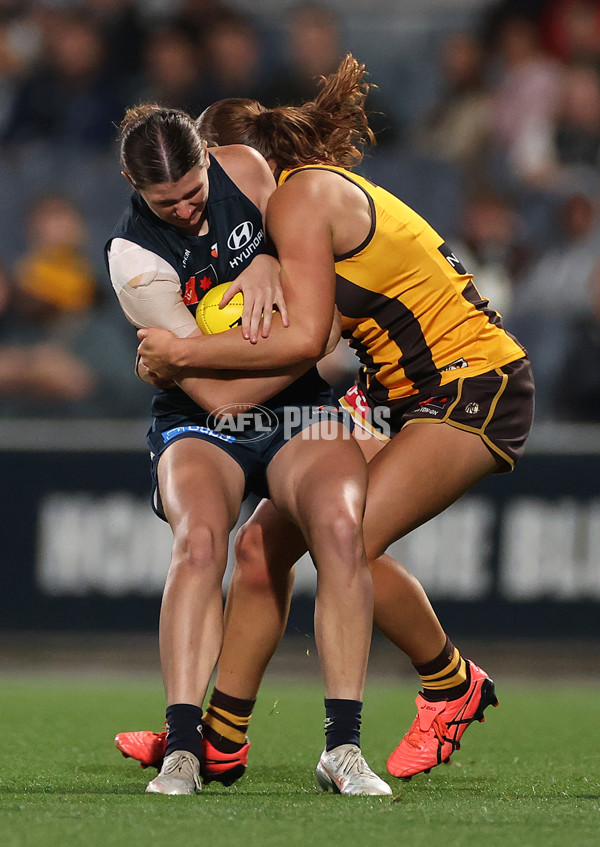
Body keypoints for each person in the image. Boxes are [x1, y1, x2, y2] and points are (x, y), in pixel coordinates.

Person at [124, 55, 535, 784]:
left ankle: (450, 682)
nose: (209, 211)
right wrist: (259, 266)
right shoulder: (294, 215)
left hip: (470, 384)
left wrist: (182, 359)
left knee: (344, 537)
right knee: (259, 549)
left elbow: (307, 341)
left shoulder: (301, 203)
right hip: (398, 392)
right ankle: (220, 737)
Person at [106, 104, 391, 797]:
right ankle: (183, 748)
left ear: (209, 158)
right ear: (133, 186)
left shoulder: (247, 169)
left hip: (297, 404)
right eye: (165, 203)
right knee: (201, 542)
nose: (184, 211)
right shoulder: (135, 261)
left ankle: (344, 749)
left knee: (342, 529)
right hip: (201, 416)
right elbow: (218, 397)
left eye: (193, 192)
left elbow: (318, 310)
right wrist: (291, 341)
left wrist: (267, 259)